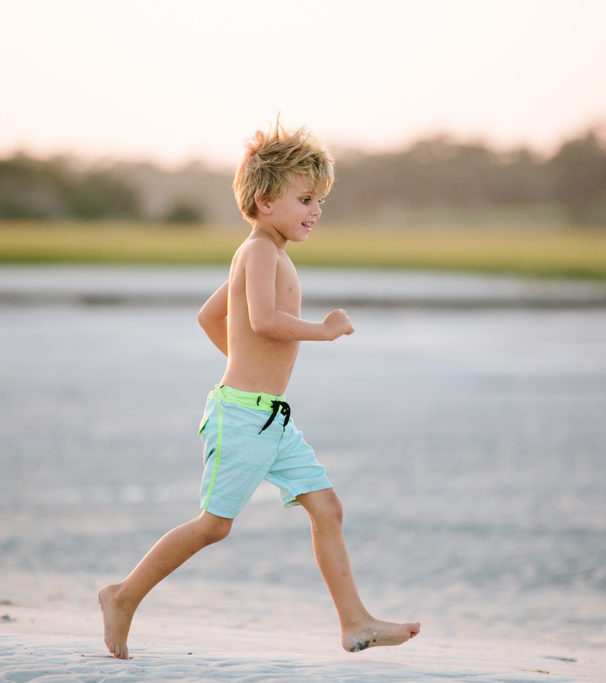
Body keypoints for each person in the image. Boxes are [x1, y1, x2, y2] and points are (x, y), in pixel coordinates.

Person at [98, 121, 420, 659]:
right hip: (244, 416)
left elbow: (210, 316)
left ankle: (355, 622)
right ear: (266, 201)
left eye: (320, 201)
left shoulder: (264, 253)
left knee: (327, 508)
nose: (315, 211)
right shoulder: (260, 252)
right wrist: (322, 330)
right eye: (305, 199)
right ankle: (122, 596)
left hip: (272, 417)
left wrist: (247, 364)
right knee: (213, 527)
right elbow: (265, 321)